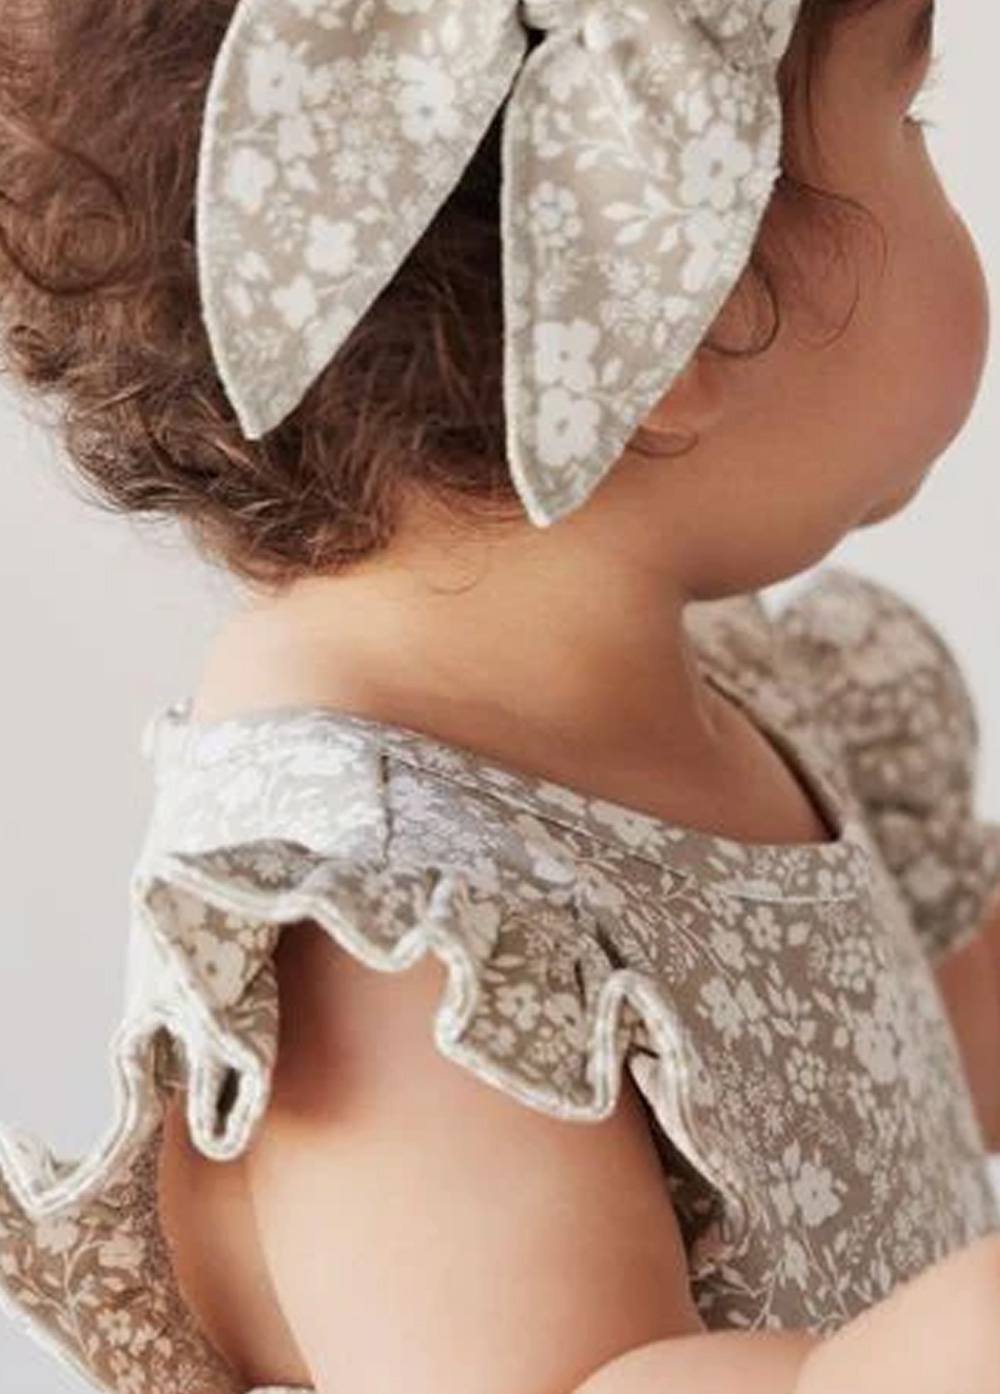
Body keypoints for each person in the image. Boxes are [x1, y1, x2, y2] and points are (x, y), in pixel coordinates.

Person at [1, 1, 1000, 1392]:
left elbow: (892, 1050)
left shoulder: (688, 689)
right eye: (911, 118)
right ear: (667, 295)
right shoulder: (386, 927)